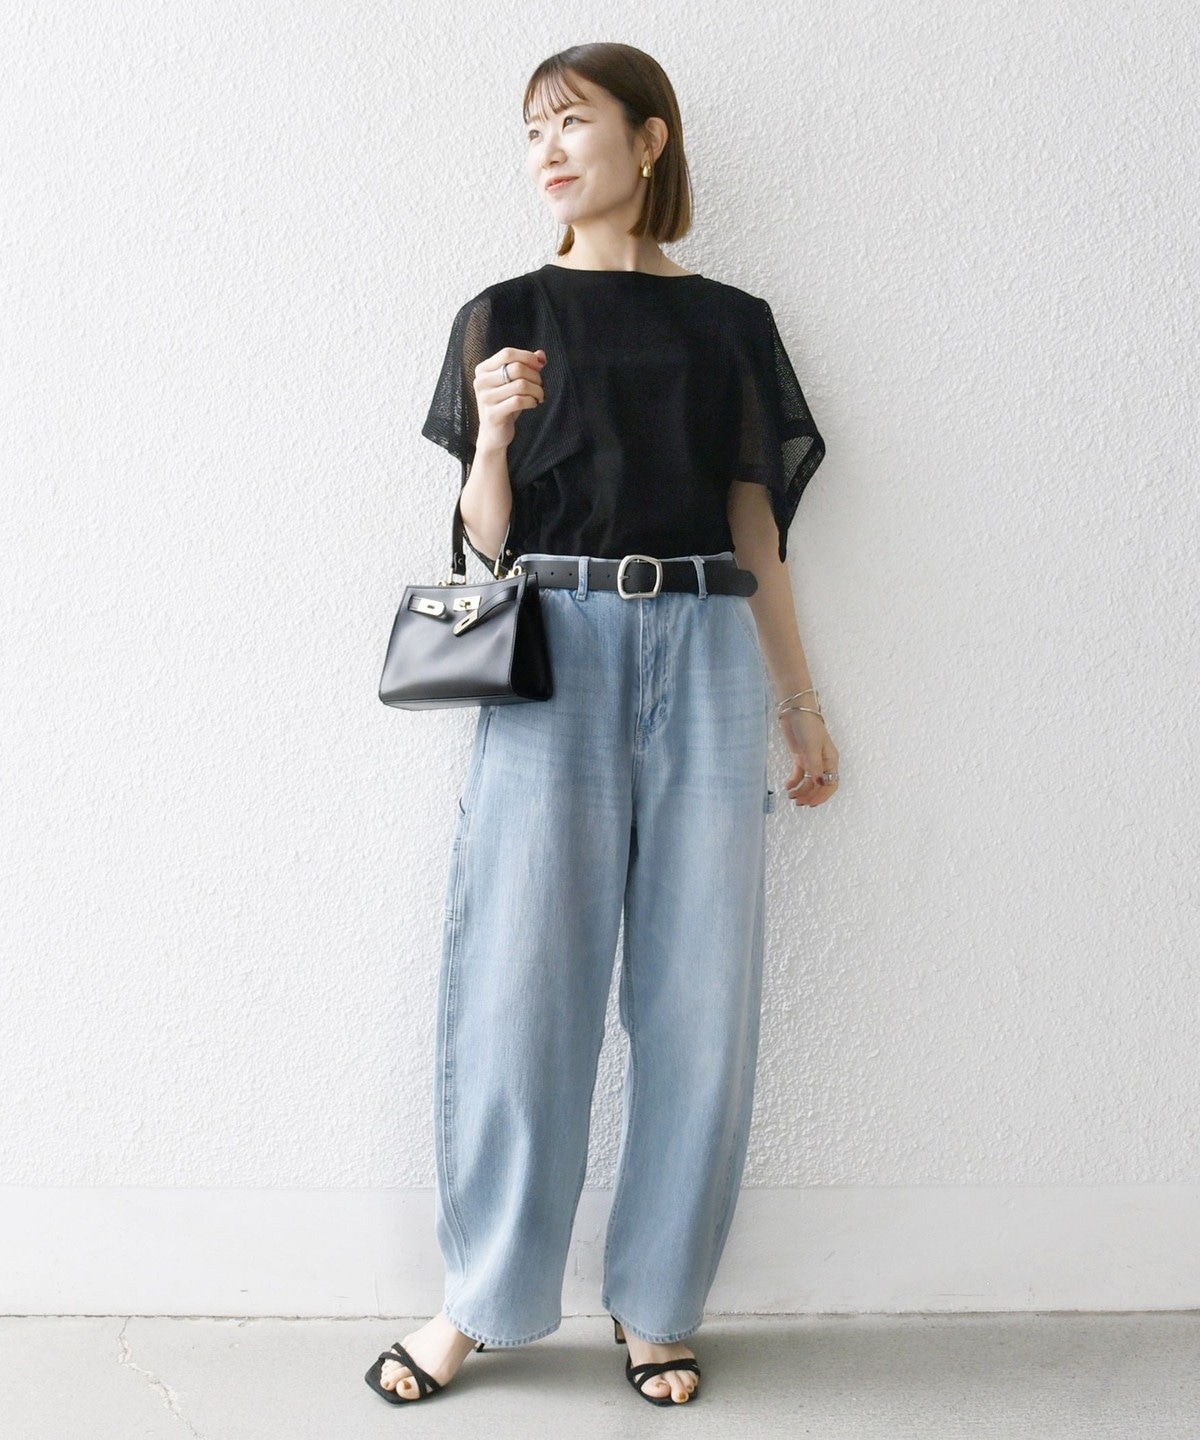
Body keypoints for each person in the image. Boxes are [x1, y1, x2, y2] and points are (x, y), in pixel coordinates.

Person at [365, 41, 838, 1409]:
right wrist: (494, 437)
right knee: (521, 980)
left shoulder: (733, 324)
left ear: (649, 140)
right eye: (533, 131)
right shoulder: (503, 315)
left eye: (573, 123)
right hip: (555, 645)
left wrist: (801, 703)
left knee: (702, 991)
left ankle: (657, 1304)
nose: (550, 151)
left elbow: (757, 528)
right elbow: (486, 541)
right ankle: (481, 1299)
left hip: (705, 641)